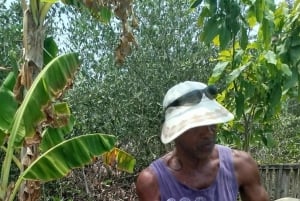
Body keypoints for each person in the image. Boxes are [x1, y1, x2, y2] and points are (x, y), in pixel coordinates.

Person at [136, 81, 269, 201]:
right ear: (176, 131)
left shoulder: (240, 165)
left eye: (211, 122)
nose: (208, 133)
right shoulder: (152, 182)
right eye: (196, 125)